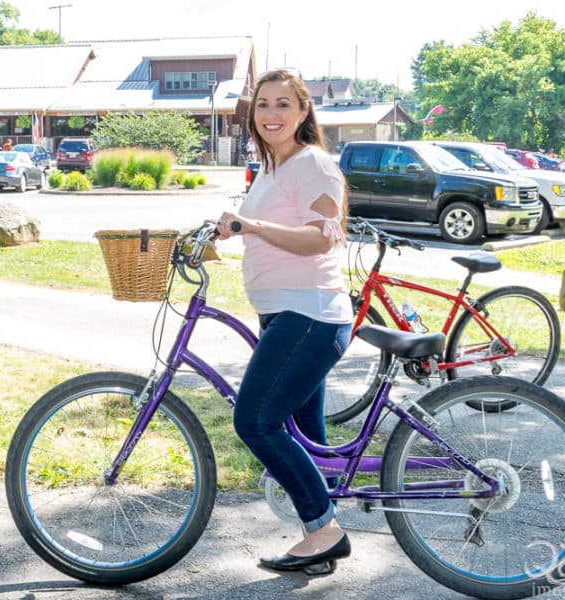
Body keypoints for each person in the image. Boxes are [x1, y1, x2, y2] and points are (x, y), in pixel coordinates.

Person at [215, 69, 353, 573]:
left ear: (302, 112)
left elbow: (322, 237)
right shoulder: (272, 166)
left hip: (309, 314)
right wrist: (231, 231)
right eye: (263, 105)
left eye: (282, 105)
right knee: (303, 433)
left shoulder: (313, 163)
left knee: (255, 421)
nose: (271, 114)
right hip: (285, 315)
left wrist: (249, 223)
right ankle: (318, 544)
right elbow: (275, 228)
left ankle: (325, 530)